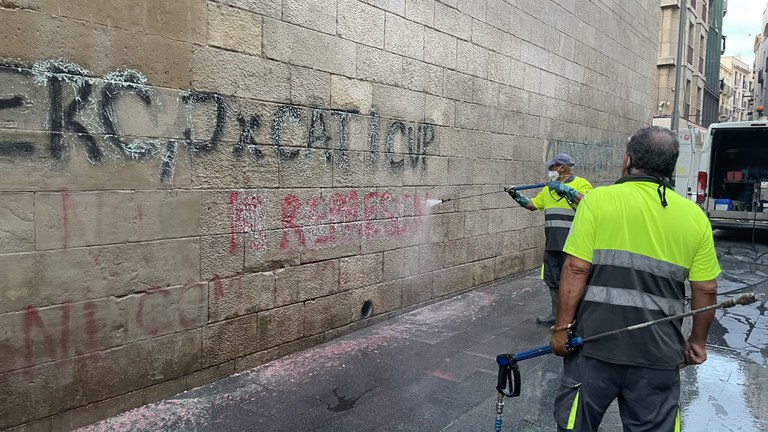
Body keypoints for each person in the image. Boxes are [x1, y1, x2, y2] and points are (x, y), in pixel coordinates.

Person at [549, 126, 720, 431]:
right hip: (659, 354)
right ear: (671, 166)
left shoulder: (597, 201)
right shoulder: (695, 217)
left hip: (593, 347)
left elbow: (575, 269)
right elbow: (706, 289)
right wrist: (697, 341)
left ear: (627, 160)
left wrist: (561, 328)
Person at [506, 153, 593, 324]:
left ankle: (576, 317)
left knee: (573, 281)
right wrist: (516, 196)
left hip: (573, 244)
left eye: (552, 166)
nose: (550, 169)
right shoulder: (548, 189)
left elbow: (588, 203)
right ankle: (555, 315)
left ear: (562, 167)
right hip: (553, 243)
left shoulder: (582, 184)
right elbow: (532, 205)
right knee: (552, 280)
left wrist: (568, 190)